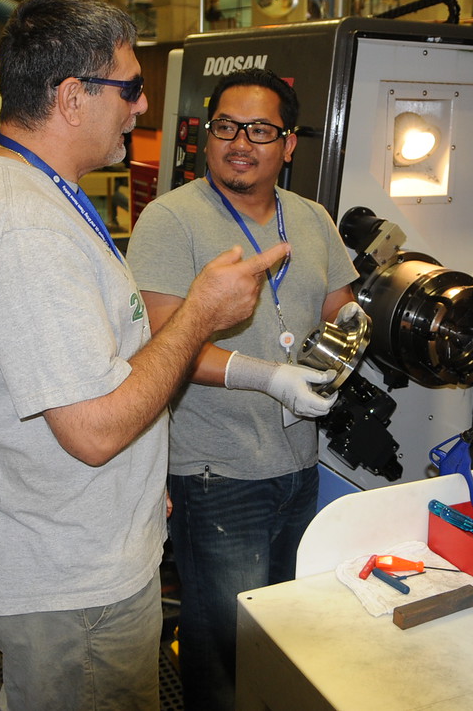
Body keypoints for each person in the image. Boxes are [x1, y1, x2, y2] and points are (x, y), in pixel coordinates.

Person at [0, 0, 288, 711]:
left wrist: (138, 473)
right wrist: (198, 316)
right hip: (69, 583)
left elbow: (87, 371)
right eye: (128, 89)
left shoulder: (36, 194)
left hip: (72, 547)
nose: (141, 107)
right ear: (71, 97)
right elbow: (92, 431)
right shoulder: (23, 229)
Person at [127, 68, 361, 711]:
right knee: (225, 643)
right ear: (206, 138)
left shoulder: (312, 219)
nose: (241, 142)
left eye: (260, 130)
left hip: (297, 466)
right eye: (226, 127)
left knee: (282, 631)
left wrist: (348, 341)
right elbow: (163, 346)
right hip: (216, 472)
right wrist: (272, 376)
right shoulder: (171, 220)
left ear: (288, 145)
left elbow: (342, 309)